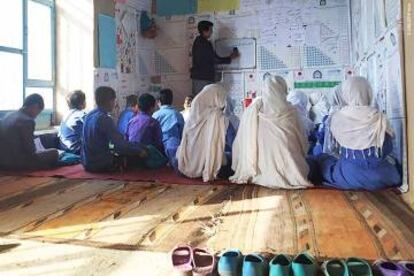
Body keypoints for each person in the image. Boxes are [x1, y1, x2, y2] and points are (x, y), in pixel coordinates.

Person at [312, 77, 401, 191]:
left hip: (350, 175)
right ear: (369, 92)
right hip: (382, 176)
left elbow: (333, 149)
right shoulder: (379, 117)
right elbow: (388, 148)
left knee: (323, 161)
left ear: (346, 94)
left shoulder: (337, 118)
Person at [230, 76, 313, 189]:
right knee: (315, 163)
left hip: (258, 174)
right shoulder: (291, 112)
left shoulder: (252, 111)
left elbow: (240, 143)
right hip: (292, 173)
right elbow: (303, 144)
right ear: (283, 89)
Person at [176, 84, 236, 182]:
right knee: (231, 162)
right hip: (212, 166)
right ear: (217, 97)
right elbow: (233, 141)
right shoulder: (219, 117)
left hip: (186, 166)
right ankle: (209, 167)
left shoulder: (191, 116)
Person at [81, 87, 147, 172]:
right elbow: (118, 145)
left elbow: (110, 143)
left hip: (86, 162)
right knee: (137, 155)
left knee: (132, 146)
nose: (115, 104)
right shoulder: (105, 119)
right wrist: (138, 151)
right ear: (110, 101)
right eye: (114, 100)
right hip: (100, 164)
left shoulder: (89, 115)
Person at [0, 94, 59, 170]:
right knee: (54, 153)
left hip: (2, 161)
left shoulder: (8, 115)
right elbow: (30, 150)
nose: (36, 116)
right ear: (35, 106)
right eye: (38, 112)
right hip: (16, 163)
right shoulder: (27, 121)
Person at [190, 20, 239, 95]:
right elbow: (214, 59)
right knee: (205, 101)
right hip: (203, 78)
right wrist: (230, 58)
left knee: (200, 100)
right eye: (210, 29)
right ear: (204, 31)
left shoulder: (197, 41)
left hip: (199, 77)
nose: (212, 32)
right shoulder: (205, 44)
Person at [152, 89, 185, 166]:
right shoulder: (177, 115)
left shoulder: (155, 115)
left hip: (159, 149)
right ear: (171, 100)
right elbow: (183, 133)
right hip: (174, 148)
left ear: (158, 101)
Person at [58, 90, 87, 155]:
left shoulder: (66, 114)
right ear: (82, 103)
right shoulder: (81, 115)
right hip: (75, 150)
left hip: (63, 148)